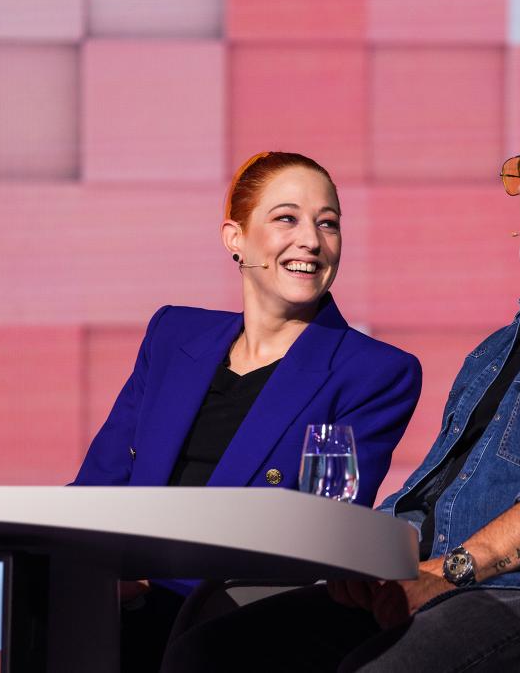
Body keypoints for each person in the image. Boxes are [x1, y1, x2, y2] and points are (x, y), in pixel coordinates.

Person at [164, 106, 520, 672]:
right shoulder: (500, 346)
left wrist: (451, 572)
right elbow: (433, 496)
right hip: (455, 584)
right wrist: (367, 559)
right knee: (214, 654)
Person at [73, 151, 422, 672]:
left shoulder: (374, 372)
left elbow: (319, 535)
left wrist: (143, 579)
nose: (311, 240)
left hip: (230, 622)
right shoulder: (173, 334)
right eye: (287, 218)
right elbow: (98, 487)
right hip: (112, 605)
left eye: (328, 223)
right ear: (235, 238)